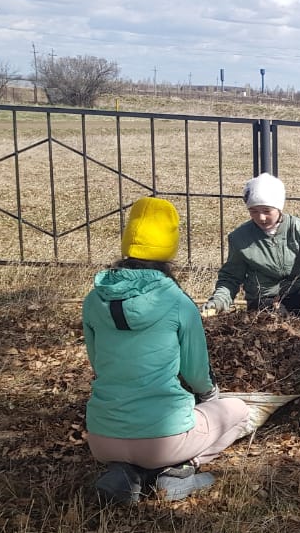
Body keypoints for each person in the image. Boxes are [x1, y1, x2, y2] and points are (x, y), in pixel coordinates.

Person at [84, 197, 251, 505]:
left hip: (101, 438)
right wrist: (211, 395)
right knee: (239, 411)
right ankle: (176, 472)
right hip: (164, 438)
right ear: (169, 247)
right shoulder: (178, 302)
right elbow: (196, 373)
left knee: (134, 447)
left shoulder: (94, 300)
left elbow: (98, 363)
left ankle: (128, 474)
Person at [204, 173, 300, 324]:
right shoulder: (240, 238)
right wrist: (218, 301)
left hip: (299, 296)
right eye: (254, 211)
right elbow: (231, 277)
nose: (261, 218)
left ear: (279, 208)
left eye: (267, 211)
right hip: (264, 303)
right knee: (269, 317)